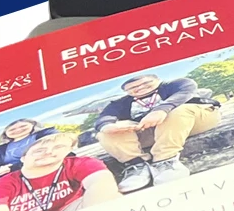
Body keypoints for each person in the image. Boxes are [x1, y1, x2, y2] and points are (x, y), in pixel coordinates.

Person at [0, 130, 120, 211]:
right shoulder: (1, 186)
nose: (49, 152)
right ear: (23, 158)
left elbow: (101, 184)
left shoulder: (80, 164)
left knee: (115, 198)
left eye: (58, 147)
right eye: (39, 150)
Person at [94, 73, 223, 191]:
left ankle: (166, 161)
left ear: (157, 80)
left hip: (194, 119)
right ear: (126, 91)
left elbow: (185, 91)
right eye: (133, 87)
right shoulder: (119, 103)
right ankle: (137, 165)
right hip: (154, 131)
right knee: (106, 132)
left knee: (176, 111)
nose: (140, 87)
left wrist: (161, 110)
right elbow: (105, 117)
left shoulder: (177, 84)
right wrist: (106, 126)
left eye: (145, 83)